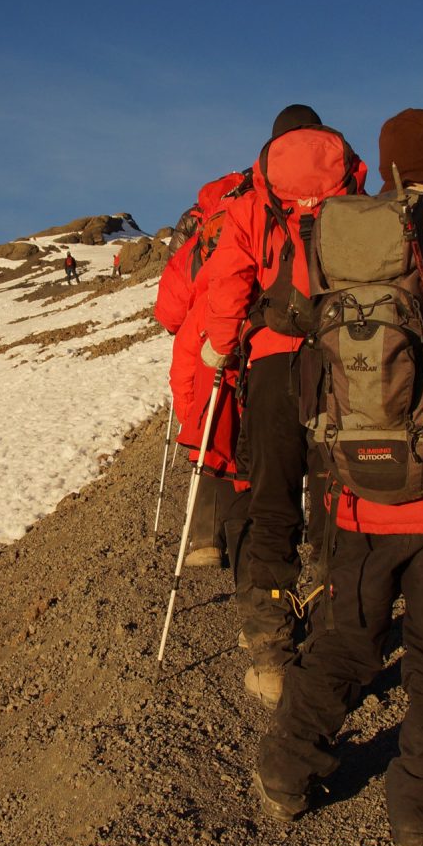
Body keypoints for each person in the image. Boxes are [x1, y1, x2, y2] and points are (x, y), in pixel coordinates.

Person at [253, 109, 423, 846]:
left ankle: (286, 771)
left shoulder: (332, 246)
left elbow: (293, 328)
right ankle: (419, 819)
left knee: (346, 639)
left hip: (353, 492)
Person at [198, 104, 362, 706]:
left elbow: (229, 279)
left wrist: (220, 347)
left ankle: (271, 650)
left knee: (270, 500)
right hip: (340, 358)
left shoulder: (255, 198)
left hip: (271, 360)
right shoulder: (350, 186)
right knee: (333, 495)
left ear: (273, 146)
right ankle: (329, 635)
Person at [154, 169, 253, 569]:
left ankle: (204, 536)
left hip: (207, 324)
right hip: (270, 320)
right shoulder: (263, 207)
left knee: (208, 417)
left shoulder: (202, 228)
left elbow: (169, 311)